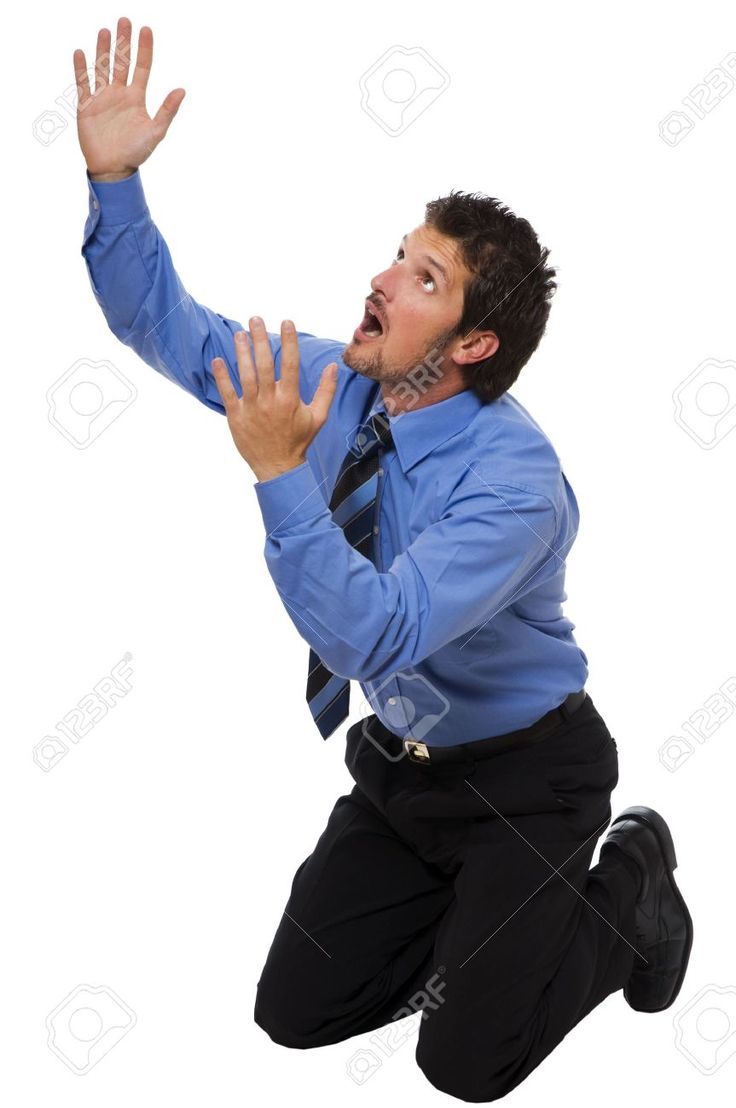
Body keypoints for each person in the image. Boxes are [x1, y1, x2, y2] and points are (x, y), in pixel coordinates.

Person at [73, 18, 694, 1102]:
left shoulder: (514, 486)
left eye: (421, 277)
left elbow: (372, 631)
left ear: (470, 346)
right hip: (401, 770)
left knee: (465, 1065)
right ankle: (483, 945)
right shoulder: (331, 385)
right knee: (293, 1015)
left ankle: (624, 896)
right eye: (396, 254)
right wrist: (115, 180)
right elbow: (165, 327)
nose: (380, 277)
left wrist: (275, 477)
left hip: (525, 778)